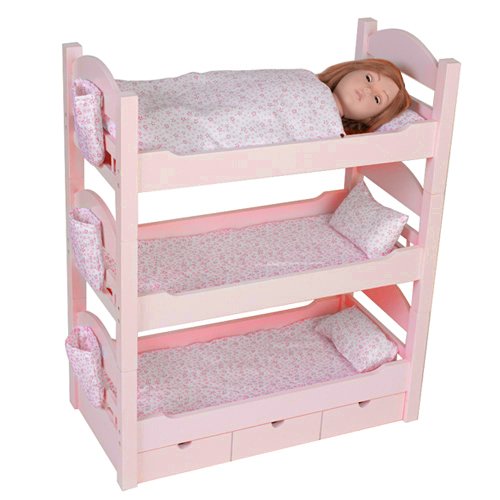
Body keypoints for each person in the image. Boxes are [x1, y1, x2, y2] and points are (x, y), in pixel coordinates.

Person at [317, 59, 411, 135]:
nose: (368, 90)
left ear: (369, 118)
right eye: (368, 78)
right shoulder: (312, 80)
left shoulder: (341, 138)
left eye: (377, 99)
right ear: (352, 70)